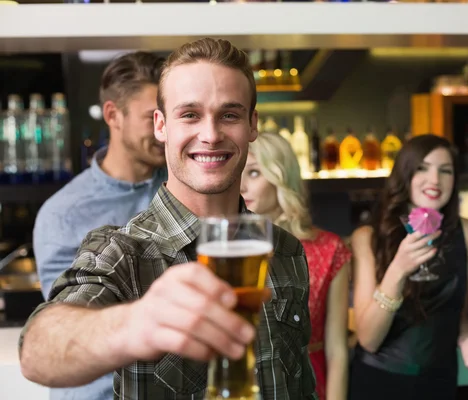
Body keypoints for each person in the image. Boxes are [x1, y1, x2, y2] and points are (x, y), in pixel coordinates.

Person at [19, 38, 317, 400]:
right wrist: (135, 324)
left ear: (252, 125)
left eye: (229, 114)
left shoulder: (286, 250)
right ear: (161, 126)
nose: (210, 135)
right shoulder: (122, 251)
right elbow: (37, 351)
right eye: (189, 114)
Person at [32, 51, 166, 400]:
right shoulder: (64, 213)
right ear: (112, 115)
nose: (163, 129)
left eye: (167, 115)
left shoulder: (186, 187)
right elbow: (68, 328)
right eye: (150, 117)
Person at [349, 134, 468, 400]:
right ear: (405, 175)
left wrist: (467, 337)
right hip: (378, 384)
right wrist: (398, 269)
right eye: (422, 168)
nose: (435, 180)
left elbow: (457, 310)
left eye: (445, 171)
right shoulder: (369, 238)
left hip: (439, 382)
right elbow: (368, 339)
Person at [241, 132, 351, 400]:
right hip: (242, 382)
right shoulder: (224, 249)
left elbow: (337, 350)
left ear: (282, 177)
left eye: (254, 173)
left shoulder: (330, 248)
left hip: (306, 383)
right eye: (238, 172)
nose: (241, 185)